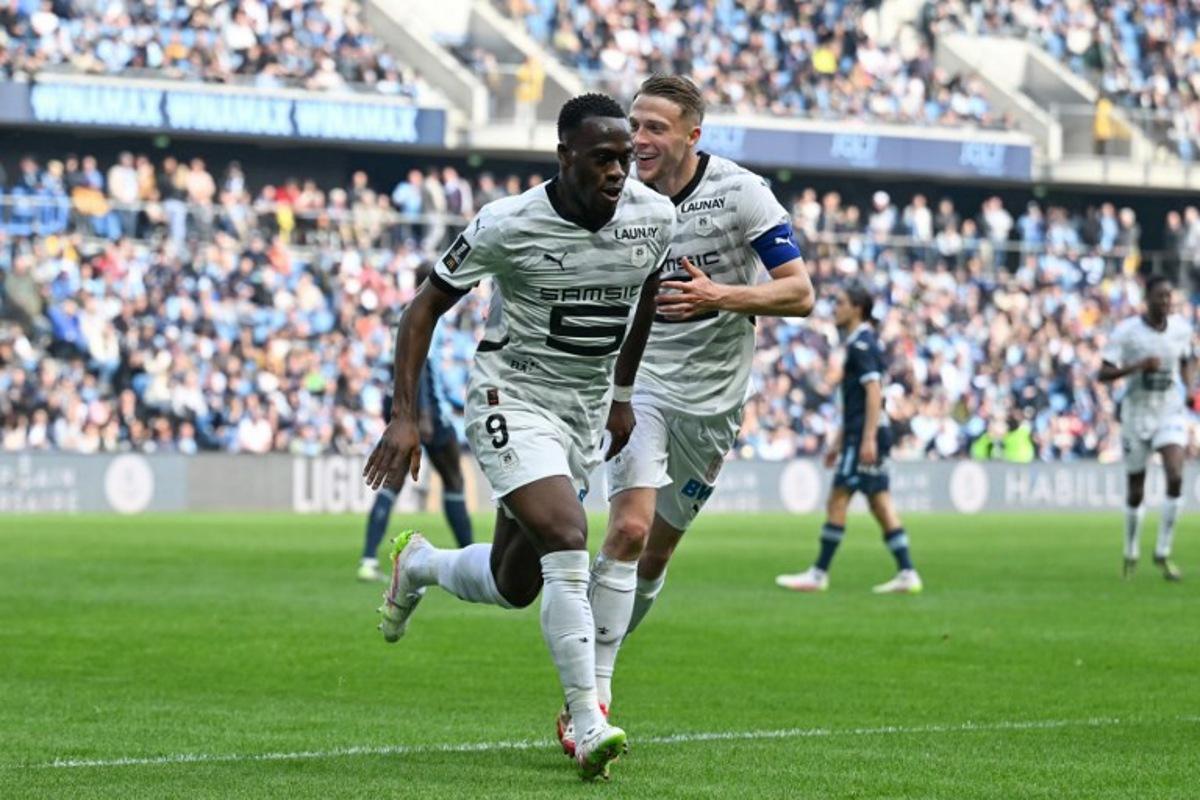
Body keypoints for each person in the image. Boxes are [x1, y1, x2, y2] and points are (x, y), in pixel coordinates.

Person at [362, 93, 675, 781]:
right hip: (512, 395)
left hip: (584, 410)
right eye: (602, 160)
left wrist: (622, 394)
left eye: (625, 158)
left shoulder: (655, 218)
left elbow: (647, 296)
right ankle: (587, 721)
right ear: (565, 158)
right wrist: (404, 414)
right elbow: (422, 309)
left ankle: (420, 566)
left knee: (515, 583)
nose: (619, 173)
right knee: (567, 535)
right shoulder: (506, 224)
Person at [556, 74, 815, 756]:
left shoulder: (741, 192)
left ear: (692, 136)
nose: (636, 139)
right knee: (630, 528)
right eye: (633, 124)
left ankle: (589, 679)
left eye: (654, 128)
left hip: (715, 402)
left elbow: (800, 292)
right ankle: (592, 704)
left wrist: (718, 295)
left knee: (656, 554)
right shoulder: (620, 197)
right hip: (639, 388)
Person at [775, 284, 923, 594]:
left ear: (857, 308)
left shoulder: (861, 345)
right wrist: (838, 442)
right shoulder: (862, 342)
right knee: (880, 504)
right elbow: (856, 400)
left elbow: (873, 392)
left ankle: (818, 574)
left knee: (838, 499)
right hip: (861, 433)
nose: (835, 308)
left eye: (840, 302)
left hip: (865, 435)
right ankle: (907, 572)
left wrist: (865, 438)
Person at [357, 267, 473, 582]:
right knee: (453, 480)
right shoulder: (430, 312)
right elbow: (420, 367)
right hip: (427, 414)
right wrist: (421, 416)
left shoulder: (406, 312)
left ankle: (368, 559)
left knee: (392, 482)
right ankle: (473, 559)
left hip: (403, 408)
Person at [1098, 275, 1192, 581]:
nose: (1166, 302)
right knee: (1136, 489)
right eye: (1160, 297)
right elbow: (1103, 372)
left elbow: (1189, 358)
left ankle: (1163, 550)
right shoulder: (1127, 333)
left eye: (1169, 297)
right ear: (1147, 299)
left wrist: (1189, 386)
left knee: (1176, 474)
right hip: (1136, 415)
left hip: (1169, 412)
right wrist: (1136, 367)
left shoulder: (1180, 328)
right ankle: (1131, 550)